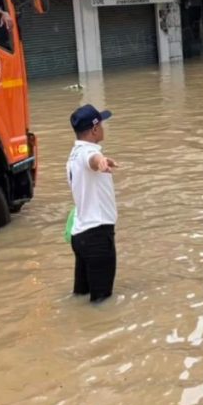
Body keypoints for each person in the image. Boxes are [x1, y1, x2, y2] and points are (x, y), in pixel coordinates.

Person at [67, 105, 119, 303]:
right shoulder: (87, 153)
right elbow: (92, 159)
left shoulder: (73, 156)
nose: (104, 128)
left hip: (80, 236)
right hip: (97, 236)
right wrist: (101, 161)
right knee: (101, 304)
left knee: (81, 297)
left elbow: (90, 161)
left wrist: (103, 161)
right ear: (95, 129)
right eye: (102, 124)